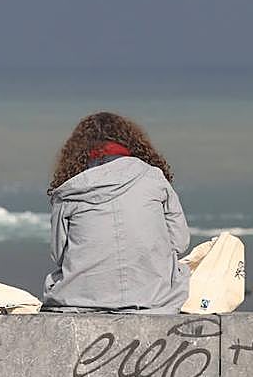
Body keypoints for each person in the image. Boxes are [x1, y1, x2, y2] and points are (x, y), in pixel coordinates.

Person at [44, 112, 190, 312]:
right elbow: (180, 242)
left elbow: (58, 255)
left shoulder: (70, 190)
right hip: (153, 298)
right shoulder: (154, 179)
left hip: (80, 300)